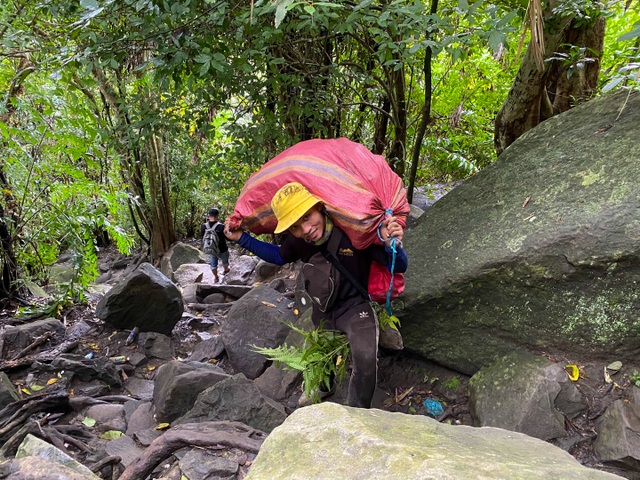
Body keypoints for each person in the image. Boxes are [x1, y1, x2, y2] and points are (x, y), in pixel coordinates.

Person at [225, 182, 408, 408]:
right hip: (323, 308)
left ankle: (357, 412)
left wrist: (393, 246)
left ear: (319, 207)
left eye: (307, 217)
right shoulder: (298, 241)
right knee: (323, 352)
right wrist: (242, 239)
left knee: (366, 357)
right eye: (295, 226)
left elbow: (400, 265)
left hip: (356, 306)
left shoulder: (354, 231)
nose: (305, 229)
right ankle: (324, 386)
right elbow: (279, 256)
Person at [200, 208, 230, 283]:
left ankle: (216, 277)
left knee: (213, 265)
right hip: (222, 249)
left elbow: (202, 237)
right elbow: (227, 238)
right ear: (217, 216)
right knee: (224, 261)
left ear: (208, 216)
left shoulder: (204, 226)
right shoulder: (221, 227)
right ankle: (226, 270)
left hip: (211, 249)